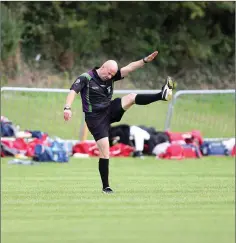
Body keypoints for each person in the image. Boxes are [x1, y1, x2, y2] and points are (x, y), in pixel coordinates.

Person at [63, 51, 175, 194]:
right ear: (103, 67)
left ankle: (162, 95)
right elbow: (73, 91)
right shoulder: (86, 78)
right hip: (95, 119)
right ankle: (106, 187)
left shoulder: (111, 75)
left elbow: (129, 68)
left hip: (109, 110)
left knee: (131, 97)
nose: (110, 77)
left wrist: (145, 60)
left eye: (112, 75)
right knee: (105, 150)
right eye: (108, 74)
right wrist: (67, 107)